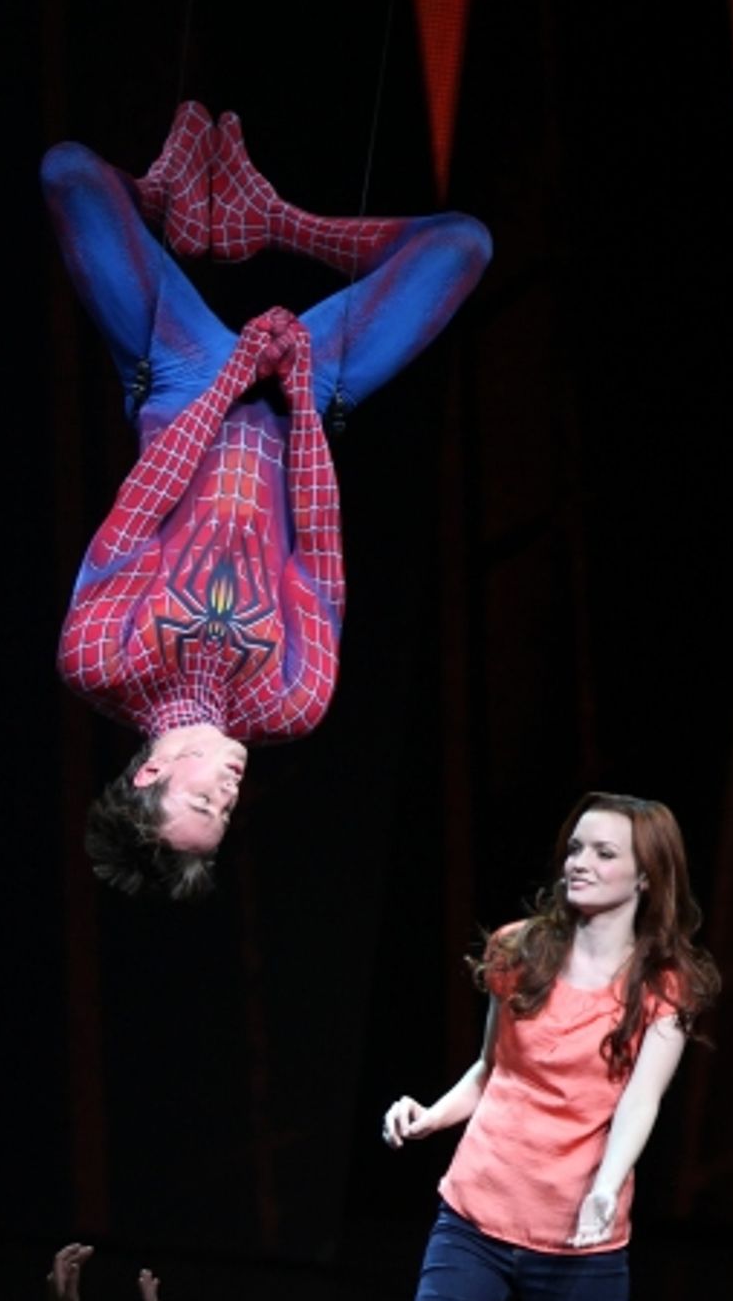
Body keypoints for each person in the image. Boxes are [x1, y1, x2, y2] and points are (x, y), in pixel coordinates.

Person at [42, 101, 491, 898]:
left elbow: (142, 503)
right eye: (227, 809)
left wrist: (230, 373)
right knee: (461, 245)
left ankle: (156, 194)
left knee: (68, 173)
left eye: (204, 798)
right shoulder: (292, 703)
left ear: (151, 771)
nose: (230, 790)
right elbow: (319, 554)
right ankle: (273, 218)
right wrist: (298, 398)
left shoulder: (97, 661)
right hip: (295, 411)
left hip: (182, 385)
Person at [383, 792, 720, 1301]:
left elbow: (640, 1100)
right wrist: (429, 1116)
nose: (580, 863)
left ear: (645, 875)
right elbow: (491, 1071)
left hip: (579, 1242)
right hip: (474, 1220)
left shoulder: (665, 985)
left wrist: (603, 1187)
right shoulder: (519, 950)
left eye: (603, 852)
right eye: (574, 849)